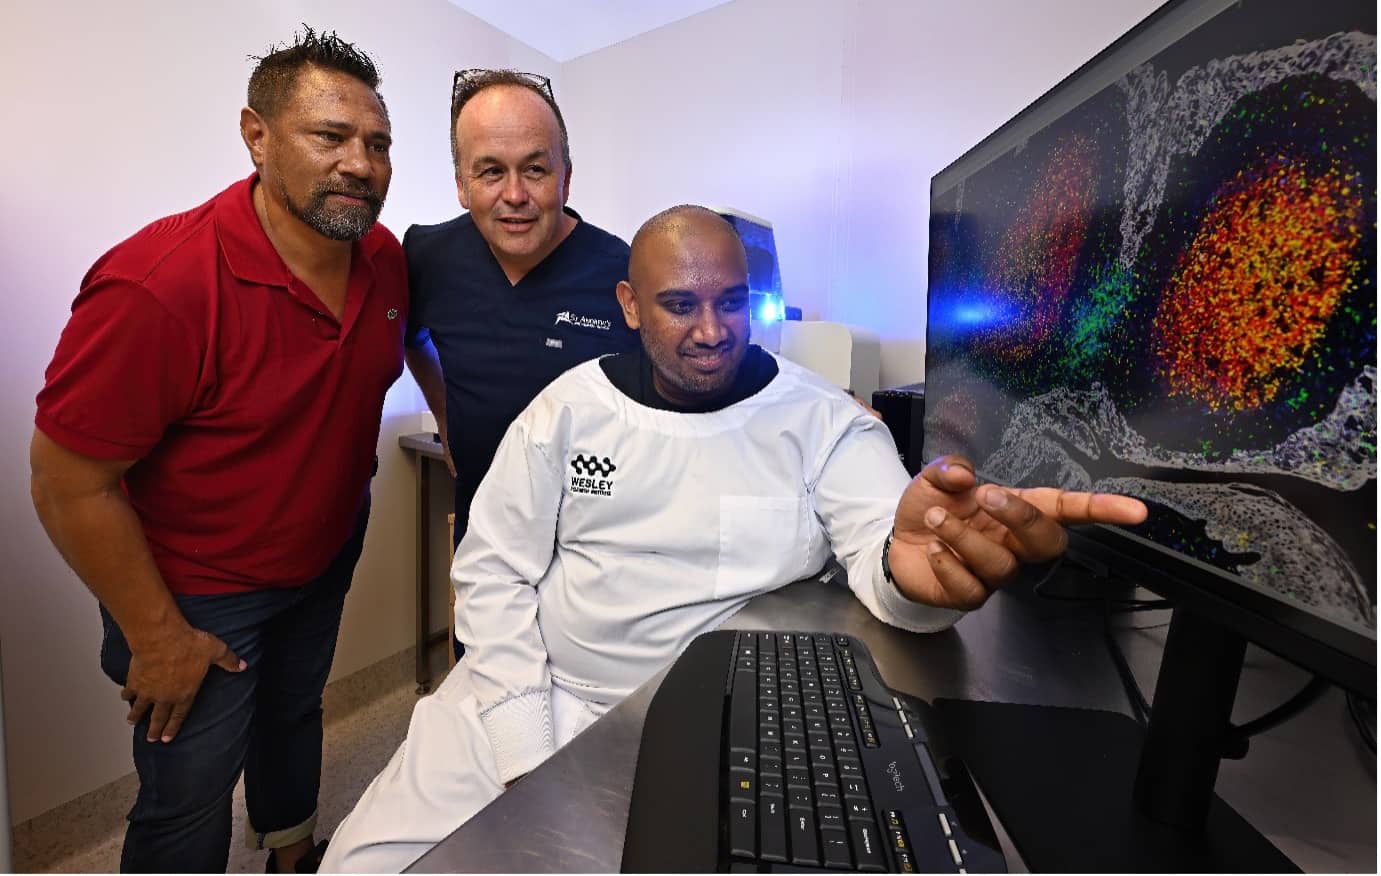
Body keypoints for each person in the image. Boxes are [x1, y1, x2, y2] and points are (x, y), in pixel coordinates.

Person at [320, 206, 1148, 872]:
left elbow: (885, 554)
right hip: (530, 690)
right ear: (631, 306)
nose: (711, 331)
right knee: (362, 863)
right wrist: (522, 737)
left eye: (730, 302)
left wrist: (917, 583)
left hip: (710, 722)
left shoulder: (822, 420)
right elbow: (493, 575)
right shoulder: (565, 412)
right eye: (680, 304)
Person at [29, 28, 405, 874]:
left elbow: (397, 359)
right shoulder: (157, 285)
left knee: (294, 716)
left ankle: (291, 851)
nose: (360, 162)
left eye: (377, 143)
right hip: (197, 593)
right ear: (257, 135)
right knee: (187, 790)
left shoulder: (380, 256)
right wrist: (157, 637)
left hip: (322, 554)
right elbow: (65, 483)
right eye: (330, 136)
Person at [401, 69, 638, 595]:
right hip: (485, 554)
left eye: (534, 169)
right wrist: (447, 417)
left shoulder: (624, 271)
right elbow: (412, 338)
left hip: (597, 561)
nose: (515, 195)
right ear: (462, 184)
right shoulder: (426, 256)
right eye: (490, 172)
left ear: (565, 179)